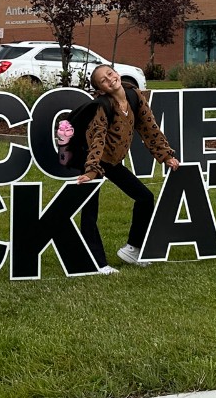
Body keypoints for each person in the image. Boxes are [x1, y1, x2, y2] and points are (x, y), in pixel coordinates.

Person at [76, 65, 180, 274]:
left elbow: (149, 127)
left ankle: (132, 248)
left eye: (110, 74)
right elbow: (96, 138)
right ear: (101, 89)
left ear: (117, 74)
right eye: (103, 80)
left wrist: (165, 155)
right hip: (91, 159)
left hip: (112, 162)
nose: (109, 79)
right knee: (89, 211)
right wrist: (91, 170)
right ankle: (96, 263)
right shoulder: (103, 105)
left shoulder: (134, 96)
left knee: (144, 197)